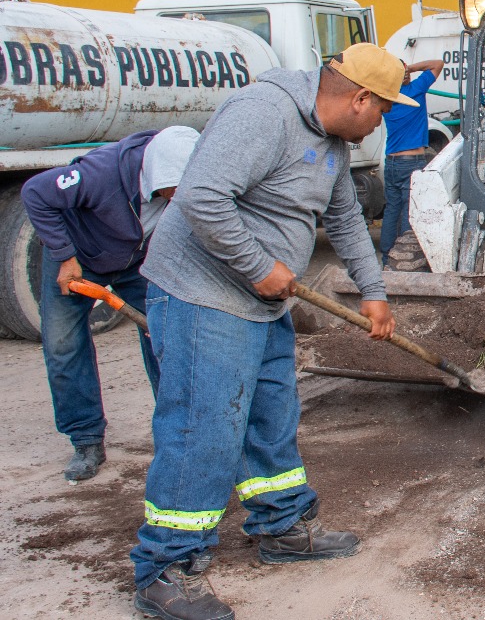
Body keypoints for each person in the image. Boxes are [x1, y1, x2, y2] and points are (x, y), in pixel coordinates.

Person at [129, 43, 409, 620]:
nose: (381, 123)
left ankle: (281, 525)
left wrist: (375, 292)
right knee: (203, 429)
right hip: (203, 297)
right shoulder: (264, 112)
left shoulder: (332, 143)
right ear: (360, 98)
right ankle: (166, 568)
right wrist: (258, 266)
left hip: (262, 306)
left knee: (270, 416)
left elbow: (345, 219)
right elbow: (202, 196)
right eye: (382, 110)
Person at [20, 126, 200, 483]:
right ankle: (86, 439)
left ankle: (179, 436)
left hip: (137, 260)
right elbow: (35, 192)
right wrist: (64, 256)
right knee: (63, 345)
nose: (180, 196)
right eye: (174, 188)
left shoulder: (182, 176)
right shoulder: (101, 175)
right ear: (157, 173)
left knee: (165, 337)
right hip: (78, 258)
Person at [380, 57, 445, 264]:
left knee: (392, 210)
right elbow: (438, 64)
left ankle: (386, 258)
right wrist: (411, 68)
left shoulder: (386, 97)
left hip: (391, 163)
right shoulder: (415, 90)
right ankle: (404, 258)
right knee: (410, 211)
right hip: (412, 162)